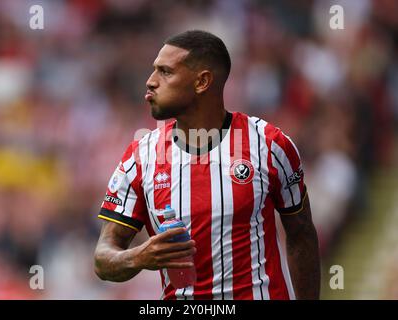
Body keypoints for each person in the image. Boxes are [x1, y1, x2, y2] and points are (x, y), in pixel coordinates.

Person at [94, 30, 320, 300]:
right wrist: (138, 257)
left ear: (202, 82)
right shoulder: (140, 157)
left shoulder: (269, 145)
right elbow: (103, 258)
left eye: (165, 72)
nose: (151, 81)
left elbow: (302, 233)